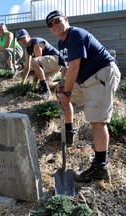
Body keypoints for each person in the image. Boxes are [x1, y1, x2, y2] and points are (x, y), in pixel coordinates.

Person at [46, 10, 120, 183]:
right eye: (50, 24)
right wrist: (62, 88)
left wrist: (67, 91)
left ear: (66, 19)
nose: (54, 26)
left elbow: (74, 67)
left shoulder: (75, 35)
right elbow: (65, 69)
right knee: (63, 97)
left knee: (97, 122)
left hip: (101, 75)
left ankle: (100, 167)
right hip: (86, 79)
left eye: (57, 21)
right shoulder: (61, 42)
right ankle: (69, 132)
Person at [16, 29, 62, 99]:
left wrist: (34, 84)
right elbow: (26, 67)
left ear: (28, 36)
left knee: (34, 61)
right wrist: (23, 82)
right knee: (44, 85)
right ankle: (63, 83)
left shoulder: (36, 43)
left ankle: (46, 92)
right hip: (50, 65)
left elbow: (37, 65)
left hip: (57, 60)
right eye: (20, 39)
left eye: (23, 38)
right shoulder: (27, 49)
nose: (22, 41)